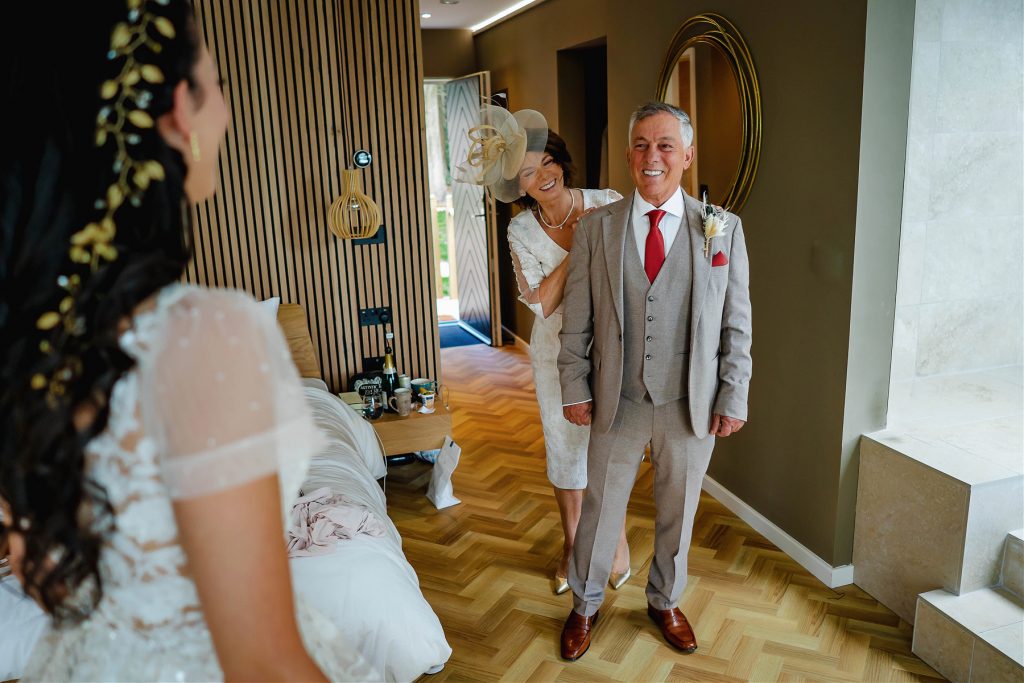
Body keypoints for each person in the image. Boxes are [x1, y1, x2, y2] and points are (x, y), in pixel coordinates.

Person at [0, 2, 377, 680]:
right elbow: (264, 662)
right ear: (180, 109)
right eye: (217, 82)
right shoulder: (205, 334)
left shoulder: (31, 343)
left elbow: (35, 571)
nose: (225, 113)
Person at [556, 101, 753, 661]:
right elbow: (578, 319)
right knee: (599, 508)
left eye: (666, 145)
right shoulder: (596, 230)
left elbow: (736, 321)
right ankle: (584, 606)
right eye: (642, 144)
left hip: (690, 401)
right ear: (627, 154)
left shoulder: (723, 229)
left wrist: (732, 393)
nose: (652, 156)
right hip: (617, 398)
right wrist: (575, 387)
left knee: (679, 509)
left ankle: (665, 600)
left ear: (687, 156)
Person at [505, 130, 632, 595]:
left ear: (562, 161)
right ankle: (573, 544)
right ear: (518, 185)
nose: (542, 176)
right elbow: (539, 304)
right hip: (554, 353)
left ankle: (616, 544)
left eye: (547, 162)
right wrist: (580, 243)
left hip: (615, 348)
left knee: (610, 448)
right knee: (564, 448)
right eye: (527, 172)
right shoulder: (520, 231)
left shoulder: (611, 201)